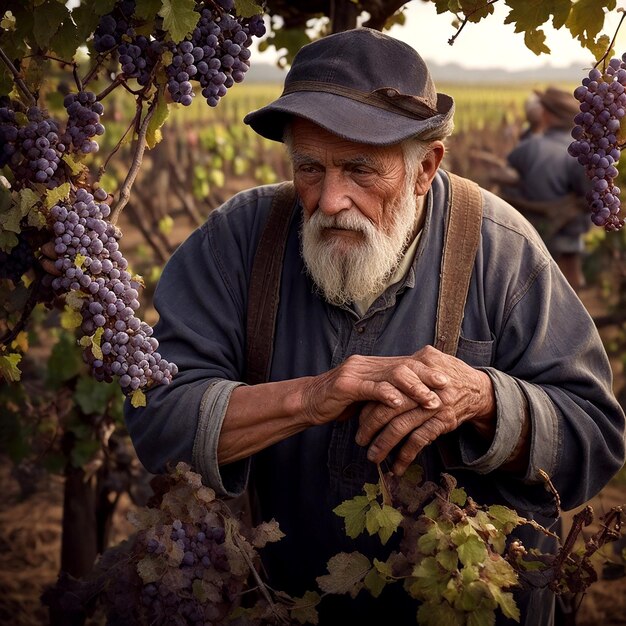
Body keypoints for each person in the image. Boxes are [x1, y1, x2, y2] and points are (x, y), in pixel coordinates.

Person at [125, 29, 625, 625]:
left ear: (425, 167)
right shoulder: (238, 241)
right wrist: (309, 399)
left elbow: (596, 438)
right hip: (275, 607)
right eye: (309, 167)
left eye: (360, 170)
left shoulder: (502, 252)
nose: (331, 198)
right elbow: (159, 421)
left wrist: (487, 400)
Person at [502, 86, 592, 291]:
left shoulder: (529, 148)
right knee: (571, 289)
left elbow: (509, 174)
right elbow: (589, 197)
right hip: (570, 237)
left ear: (546, 115)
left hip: (536, 236)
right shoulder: (583, 150)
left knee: (540, 291)